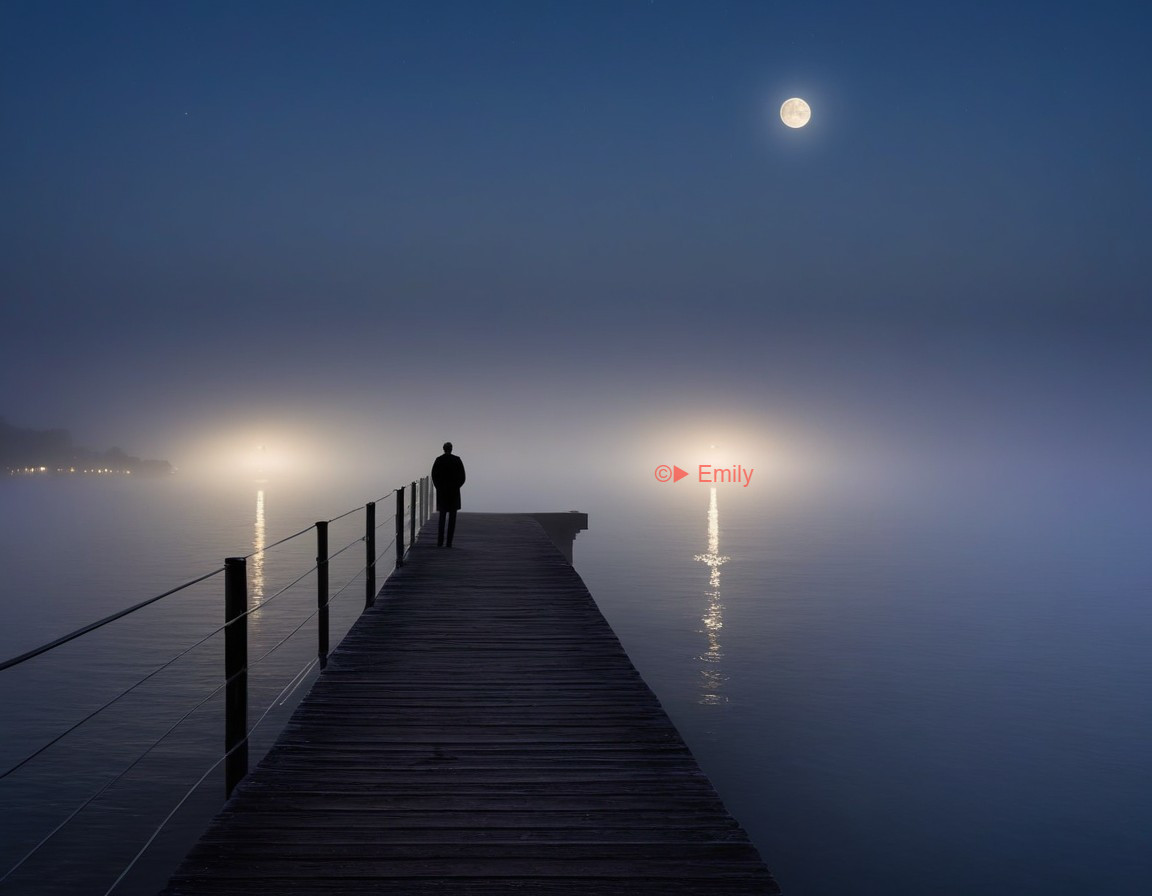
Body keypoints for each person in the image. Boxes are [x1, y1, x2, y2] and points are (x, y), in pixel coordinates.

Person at [431, 441, 466, 547]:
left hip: (442, 493)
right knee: (452, 519)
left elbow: (434, 476)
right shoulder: (457, 460)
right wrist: (456, 486)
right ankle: (449, 543)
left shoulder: (439, 460)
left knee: (442, 518)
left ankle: (440, 542)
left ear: (443, 449)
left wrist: (439, 487)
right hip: (454, 493)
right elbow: (463, 477)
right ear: (451, 449)